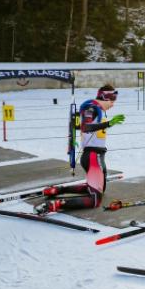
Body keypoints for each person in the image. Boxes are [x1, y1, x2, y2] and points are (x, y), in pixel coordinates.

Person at [35, 85, 125, 214]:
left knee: (98, 189)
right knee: (94, 200)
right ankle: (57, 204)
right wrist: (109, 123)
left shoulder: (97, 109)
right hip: (93, 156)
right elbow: (85, 127)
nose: (113, 104)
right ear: (104, 97)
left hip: (98, 156)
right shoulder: (91, 108)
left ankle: (58, 190)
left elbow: (80, 125)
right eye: (112, 101)